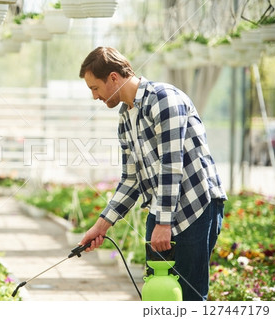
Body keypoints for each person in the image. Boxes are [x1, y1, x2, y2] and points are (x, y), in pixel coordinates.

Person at [78, 47, 227, 301]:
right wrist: (101, 226)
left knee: (190, 297)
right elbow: (131, 180)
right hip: (161, 211)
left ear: (114, 77)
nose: (95, 97)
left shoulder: (164, 99)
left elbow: (171, 164)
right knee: (159, 296)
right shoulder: (125, 117)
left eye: (95, 88)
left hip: (195, 207)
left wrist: (163, 223)